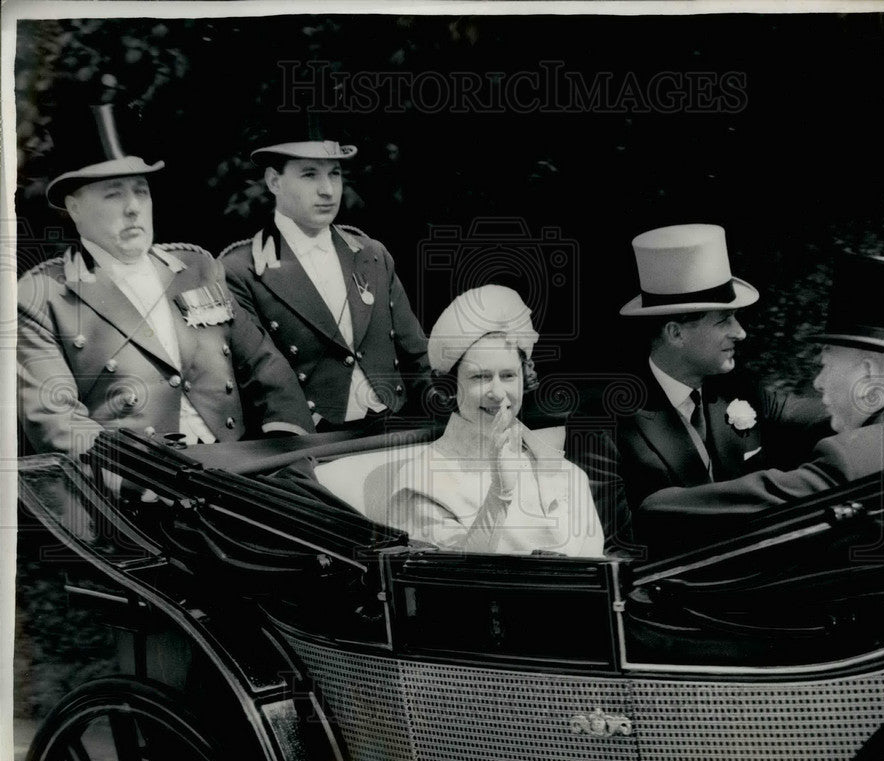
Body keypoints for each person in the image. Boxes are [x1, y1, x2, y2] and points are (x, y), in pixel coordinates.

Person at [18, 104, 314, 458]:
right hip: (139, 491)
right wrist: (145, 478)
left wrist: (286, 443)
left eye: (141, 191)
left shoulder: (196, 269)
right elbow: (57, 421)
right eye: (114, 194)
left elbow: (265, 364)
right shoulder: (44, 297)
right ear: (75, 208)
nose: (133, 207)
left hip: (241, 469)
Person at [636, 251, 884, 546]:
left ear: (866, 375)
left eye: (824, 366)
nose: (818, 383)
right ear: (673, 333)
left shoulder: (852, 459)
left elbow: (660, 511)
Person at [565, 224, 829, 542]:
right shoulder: (601, 422)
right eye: (724, 320)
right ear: (676, 333)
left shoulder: (738, 389)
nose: (740, 332)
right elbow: (614, 548)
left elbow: (820, 417)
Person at [219, 113, 430, 435]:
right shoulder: (242, 270)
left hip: (396, 427)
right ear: (274, 181)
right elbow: (262, 380)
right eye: (309, 175)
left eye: (335, 174)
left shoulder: (371, 254)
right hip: (311, 439)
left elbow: (416, 355)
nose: (328, 190)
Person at [387, 286, 605, 556]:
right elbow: (452, 579)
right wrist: (499, 493)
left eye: (509, 376)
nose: (498, 393)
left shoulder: (569, 474)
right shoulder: (421, 481)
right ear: (450, 386)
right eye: (480, 377)